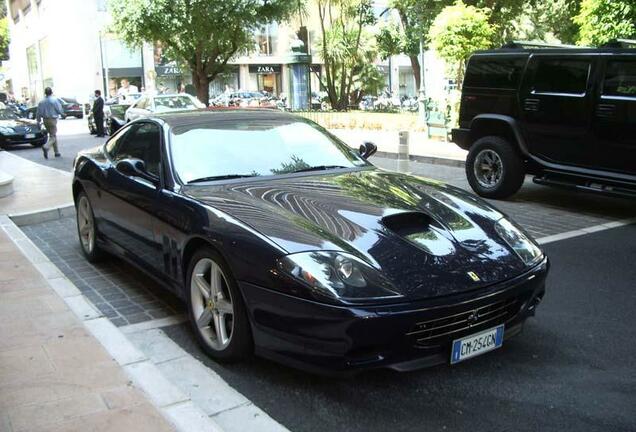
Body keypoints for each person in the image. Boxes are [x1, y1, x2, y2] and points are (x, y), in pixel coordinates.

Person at [35, 87, 64, 159]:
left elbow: (38, 113)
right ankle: (46, 146)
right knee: (53, 136)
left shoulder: (41, 102)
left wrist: (38, 121)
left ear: (45, 93)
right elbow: (59, 109)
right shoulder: (54, 100)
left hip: (45, 120)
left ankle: (56, 152)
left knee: (52, 135)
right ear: (51, 92)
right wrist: (63, 114)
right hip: (52, 119)